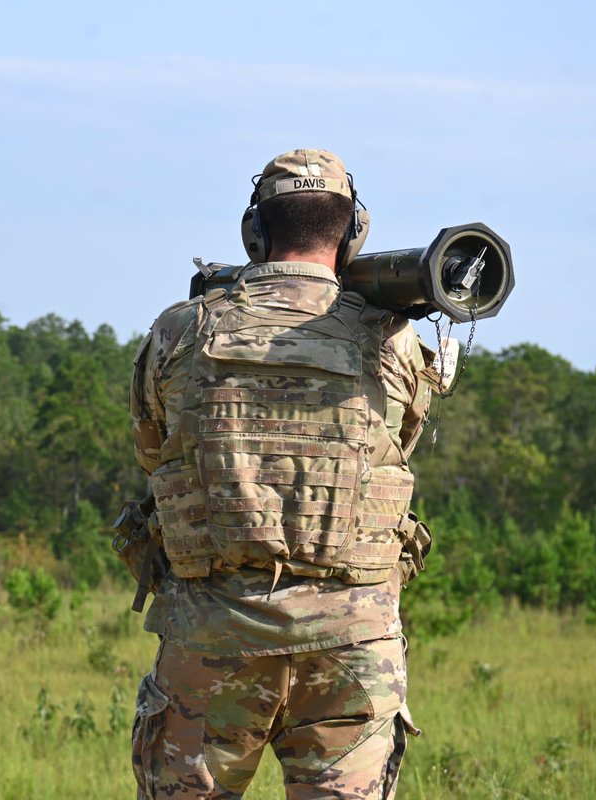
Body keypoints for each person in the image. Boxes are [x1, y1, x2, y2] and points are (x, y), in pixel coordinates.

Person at [125, 148, 443, 799]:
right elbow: (401, 444)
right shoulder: (395, 338)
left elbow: (154, 453)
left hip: (212, 641)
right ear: (354, 231)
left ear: (255, 231)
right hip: (351, 652)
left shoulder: (180, 331)